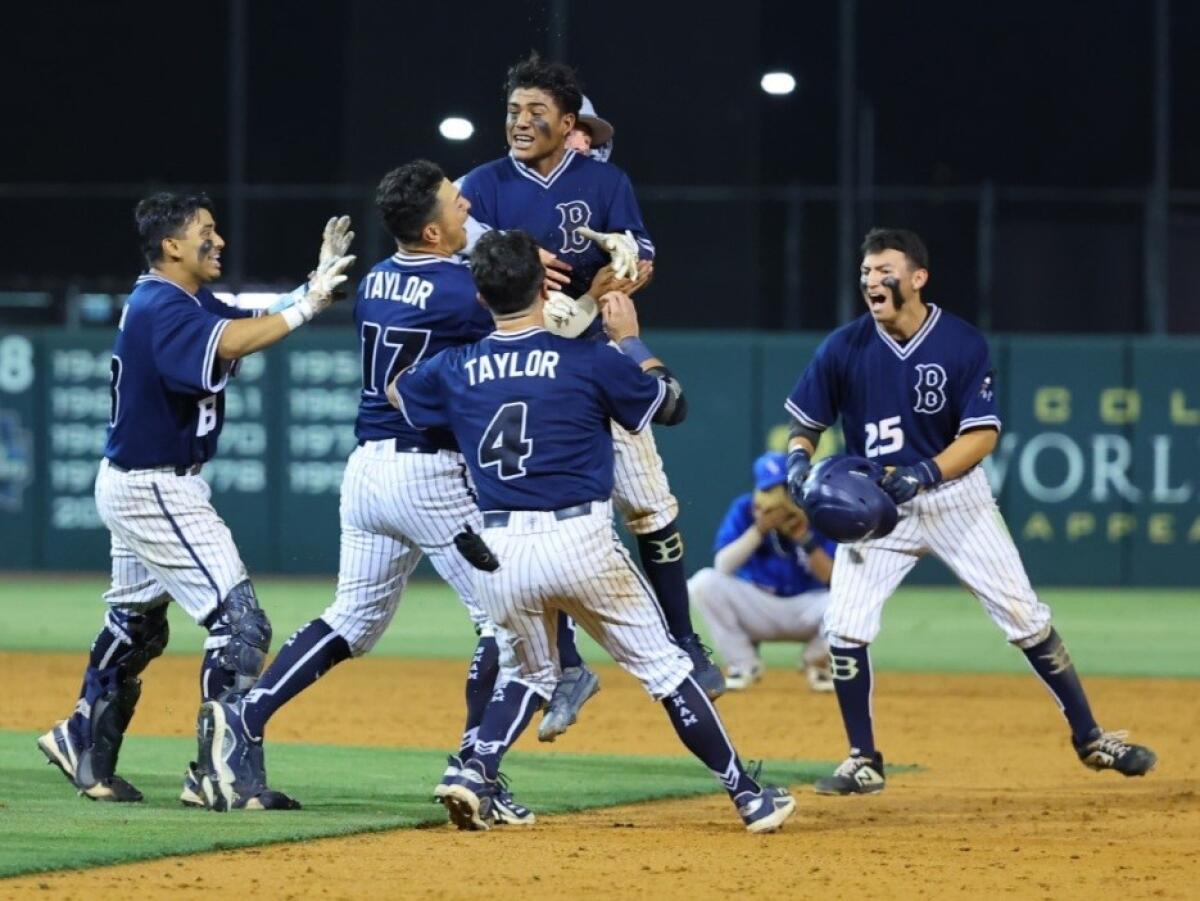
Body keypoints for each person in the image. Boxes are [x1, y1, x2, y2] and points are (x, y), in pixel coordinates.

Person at [390, 229, 795, 834]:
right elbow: (673, 403)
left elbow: (399, 391)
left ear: (479, 295)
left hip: (499, 550)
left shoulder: (457, 366)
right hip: (580, 541)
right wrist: (631, 341)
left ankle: (474, 769)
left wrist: (466, 412)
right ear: (543, 285)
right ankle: (748, 795)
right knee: (664, 669)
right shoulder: (587, 356)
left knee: (530, 673)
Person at [190, 161, 534, 822]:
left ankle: (247, 715)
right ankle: (475, 768)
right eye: (456, 205)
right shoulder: (463, 293)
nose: (468, 209)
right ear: (433, 232)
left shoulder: (376, 281)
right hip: (430, 474)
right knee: (506, 620)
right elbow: (514, 336)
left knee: (352, 618)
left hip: (369, 471)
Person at [783, 227, 1157, 795]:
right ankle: (863, 758)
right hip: (879, 506)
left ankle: (1090, 737)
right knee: (844, 627)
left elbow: (980, 435)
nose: (870, 282)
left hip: (956, 499)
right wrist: (795, 463)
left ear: (917, 277)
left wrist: (926, 472)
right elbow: (806, 423)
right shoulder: (843, 347)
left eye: (883, 270)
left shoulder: (959, 342)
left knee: (1025, 618)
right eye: (864, 273)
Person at [37, 192, 354, 808]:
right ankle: (220, 774)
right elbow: (232, 343)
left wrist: (309, 287)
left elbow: (238, 322)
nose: (220, 241)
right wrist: (311, 304)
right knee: (240, 624)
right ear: (171, 246)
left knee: (136, 627)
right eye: (206, 231)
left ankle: (83, 740)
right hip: (155, 483)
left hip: (135, 480)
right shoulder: (162, 304)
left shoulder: (175, 298)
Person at [459, 54, 725, 741]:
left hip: (592, 355)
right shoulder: (481, 187)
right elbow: (450, 258)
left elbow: (640, 258)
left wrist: (601, 289)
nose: (521, 122)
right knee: (544, 515)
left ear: (571, 124)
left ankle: (684, 643)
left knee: (650, 502)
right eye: (514, 111)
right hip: (518, 363)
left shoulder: (605, 182)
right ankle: (568, 662)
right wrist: (500, 253)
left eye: (535, 113)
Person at [690, 451, 835, 692]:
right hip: (758, 606)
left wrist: (804, 538)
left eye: (784, 488)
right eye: (771, 490)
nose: (779, 498)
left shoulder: (818, 511)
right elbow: (723, 566)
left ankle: (817, 660)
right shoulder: (745, 509)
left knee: (854, 597)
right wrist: (758, 530)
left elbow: (833, 578)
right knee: (703, 583)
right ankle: (743, 663)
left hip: (808, 609)